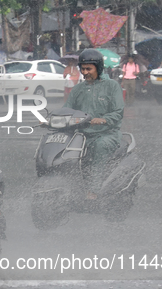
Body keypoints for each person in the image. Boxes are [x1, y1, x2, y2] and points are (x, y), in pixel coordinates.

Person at [64, 49, 124, 201]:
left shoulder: (112, 86)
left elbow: (118, 112)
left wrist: (103, 119)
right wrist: (51, 120)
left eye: (88, 69)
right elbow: (67, 110)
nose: (85, 72)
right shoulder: (77, 89)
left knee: (99, 146)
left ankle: (94, 190)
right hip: (82, 135)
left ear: (98, 67)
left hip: (106, 134)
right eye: (83, 69)